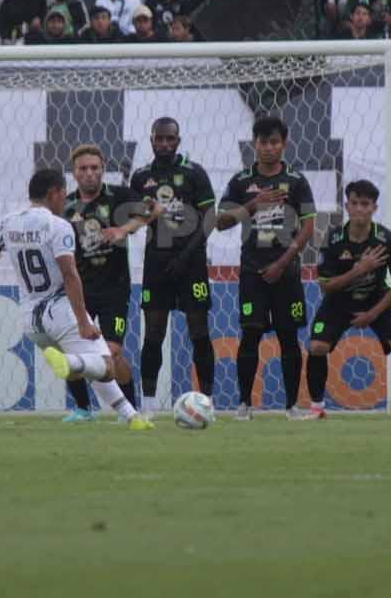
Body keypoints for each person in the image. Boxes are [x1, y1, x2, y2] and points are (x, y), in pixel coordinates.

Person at [0, 169, 154, 430]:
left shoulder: (8, 222)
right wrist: (83, 322)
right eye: (63, 193)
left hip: (30, 318)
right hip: (59, 311)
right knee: (106, 365)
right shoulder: (57, 226)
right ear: (53, 193)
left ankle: (131, 416)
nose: (64, 199)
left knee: (93, 366)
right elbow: (69, 274)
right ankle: (69, 362)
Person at [217, 116, 317, 421]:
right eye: (263, 142)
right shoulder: (240, 182)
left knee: (289, 337)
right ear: (254, 144)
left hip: (285, 272)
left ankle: (291, 407)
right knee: (250, 336)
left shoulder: (297, 180)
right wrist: (253, 204)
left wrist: (283, 262)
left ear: (284, 144)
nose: (269, 148)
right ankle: (244, 405)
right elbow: (220, 223)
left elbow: (309, 226)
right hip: (252, 272)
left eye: (275, 142)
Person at [307, 180, 391, 420]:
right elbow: (326, 287)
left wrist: (373, 314)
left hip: (377, 298)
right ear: (346, 206)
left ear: (374, 208)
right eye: (354, 203)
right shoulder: (332, 239)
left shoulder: (387, 239)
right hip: (339, 301)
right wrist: (359, 270)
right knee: (317, 347)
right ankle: (317, 408)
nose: (359, 209)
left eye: (365, 204)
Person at [58, 145, 153, 420]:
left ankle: (130, 410)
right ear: (74, 173)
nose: (89, 174)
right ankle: (83, 409)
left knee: (111, 353)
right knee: (71, 349)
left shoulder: (119, 196)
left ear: (103, 169)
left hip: (114, 289)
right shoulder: (66, 206)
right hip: (78, 291)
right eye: (83, 169)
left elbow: (153, 209)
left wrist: (123, 229)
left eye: (94, 168)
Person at [128, 118, 217, 407]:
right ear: (151, 140)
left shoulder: (194, 173)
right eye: (160, 139)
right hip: (157, 264)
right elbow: (136, 217)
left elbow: (210, 218)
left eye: (170, 139)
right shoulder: (141, 177)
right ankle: (149, 406)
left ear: (178, 141)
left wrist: (185, 254)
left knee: (199, 331)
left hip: (191, 264)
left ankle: (207, 402)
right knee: (153, 333)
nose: (165, 144)